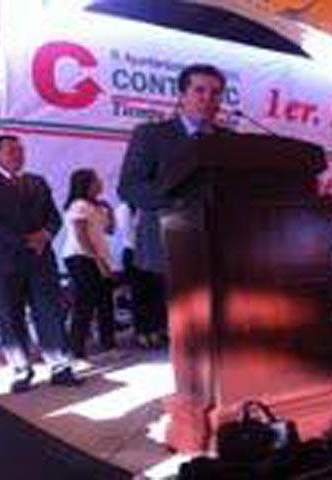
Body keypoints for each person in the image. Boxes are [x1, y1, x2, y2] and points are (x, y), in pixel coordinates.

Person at [117, 64, 230, 345]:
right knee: (180, 334)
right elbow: (129, 187)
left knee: (213, 331)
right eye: (200, 90)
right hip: (168, 243)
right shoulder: (152, 135)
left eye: (215, 93)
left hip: (220, 246)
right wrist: (181, 204)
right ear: (182, 96)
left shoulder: (228, 140)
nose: (208, 98)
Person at [0, 135, 81, 392]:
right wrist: (24, 241)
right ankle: (21, 370)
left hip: (41, 260)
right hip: (4, 262)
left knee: (50, 311)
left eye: (21, 150)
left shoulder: (37, 182)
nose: (18, 155)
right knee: (11, 315)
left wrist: (46, 235)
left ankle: (61, 367)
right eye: (11, 151)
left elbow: (54, 217)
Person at [61, 168, 117, 359]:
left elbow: (110, 231)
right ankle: (76, 351)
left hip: (98, 256)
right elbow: (81, 236)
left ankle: (109, 345)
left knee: (105, 301)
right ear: (86, 184)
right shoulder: (79, 205)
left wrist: (110, 211)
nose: (100, 183)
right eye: (96, 180)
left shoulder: (97, 206)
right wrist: (98, 261)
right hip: (81, 257)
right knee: (85, 304)